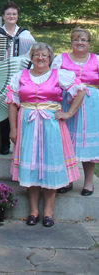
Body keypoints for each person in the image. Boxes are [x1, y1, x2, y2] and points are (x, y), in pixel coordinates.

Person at [7, 42, 85, 227]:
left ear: (50, 58)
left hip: (52, 126)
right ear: (31, 57)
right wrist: (13, 129)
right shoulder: (20, 76)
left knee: (50, 164)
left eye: (44, 55)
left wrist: (69, 113)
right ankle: (33, 210)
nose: (40, 58)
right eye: (36, 55)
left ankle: (48, 211)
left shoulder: (59, 75)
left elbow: (80, 90)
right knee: (31, 166)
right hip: (27, 125)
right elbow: (11, 103)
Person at [51, 27, 99, 196]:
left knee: (88, 145)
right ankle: (69, 180)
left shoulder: (96, 60)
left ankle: (88, 183)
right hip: (67, 102)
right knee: (66, 142)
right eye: (76, 39)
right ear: (71, 42)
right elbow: (52, 80)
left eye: (83, 40)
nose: (79, 42)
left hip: (92, 106)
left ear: (89, 43)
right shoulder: (61, 59)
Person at [0, 1, 35, 155]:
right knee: (4, 109)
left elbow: (32, 53)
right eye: (8, 14)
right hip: (3, 77)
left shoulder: (25, 34)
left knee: (20, 110)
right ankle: (4, 143)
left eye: (14, 14)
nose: (11, 16)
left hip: (21, 76)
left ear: (17, 16)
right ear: (3, 16)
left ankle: (20, 144)